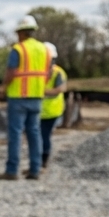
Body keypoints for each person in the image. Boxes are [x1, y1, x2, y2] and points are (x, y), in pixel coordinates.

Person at [0, 15, 51, 180]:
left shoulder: (19, 49)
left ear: (20, 32)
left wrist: (3, 88)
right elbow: (48, 73)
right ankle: (35, 169)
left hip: (19, 97)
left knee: (15, 134)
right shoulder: (44, 49)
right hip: (37, 97)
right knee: (34, 134)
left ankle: (12, 171)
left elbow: (11, 72)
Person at [40, 41, 67, 169]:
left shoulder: (58, 73)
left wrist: (41, 92)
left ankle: (44, 160)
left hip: (51, 111)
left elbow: (60, 89)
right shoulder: (40, 71)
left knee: (44, 136)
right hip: (39, 111)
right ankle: (39, 161)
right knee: (39, 136)